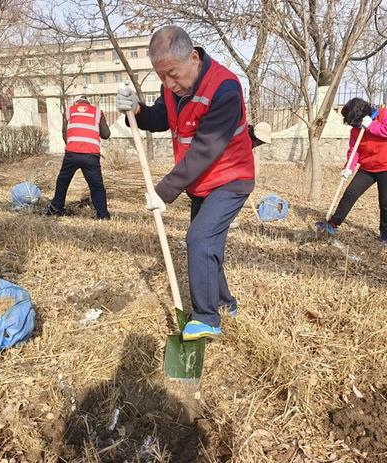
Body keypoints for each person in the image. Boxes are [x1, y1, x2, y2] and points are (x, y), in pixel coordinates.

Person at [116, 26, 255, 341]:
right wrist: (135, 110)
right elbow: (159, 118)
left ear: (193, 57)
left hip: (232, 179)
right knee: (209, 245)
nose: (168, 83)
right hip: (201, 184)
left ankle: (207, 318)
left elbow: (205, 150)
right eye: (161, 76)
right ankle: (224, 302)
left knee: (200, 239)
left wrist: (162, 191)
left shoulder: (225, 89)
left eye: (173, 75)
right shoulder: (173, 85)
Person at [315, 97, 387, 245]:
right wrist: (348, 168)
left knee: (386, 201)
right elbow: (354, 150)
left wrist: (372, 126)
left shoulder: (385, 114)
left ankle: (384, 235)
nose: (353, 125)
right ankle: (333, 224)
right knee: (350, 193)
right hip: (368, 167)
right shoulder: (356, 130)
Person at [46, 96, 111, 220]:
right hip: (91, 155)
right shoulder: (97, 112)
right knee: (96, 186)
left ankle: (55, 209)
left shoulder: (69, 111)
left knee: (63, 181)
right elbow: (106, 135)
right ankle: (102, 215)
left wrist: (72, 146)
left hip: (72, 154)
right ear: (88, 103)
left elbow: (65, 133)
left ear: (76, 102)